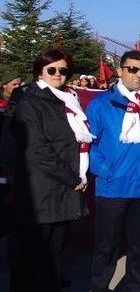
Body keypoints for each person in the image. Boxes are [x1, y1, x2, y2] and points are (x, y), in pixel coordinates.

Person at [87, 50, 140, 292]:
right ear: (120, 71)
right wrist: (106, 171)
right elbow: (87, 145)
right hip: (112, 189)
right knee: (107, 248)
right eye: (132, 69)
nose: (138, 75)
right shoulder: (100, 105)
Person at [8, 49, 91, 291]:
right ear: (39, 72)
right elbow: (37, 150)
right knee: (33, 257)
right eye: (51, 69)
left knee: (54, 253)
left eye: (63, 70)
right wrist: (72, 179)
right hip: (41, 192)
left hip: (62, 190)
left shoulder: (67, 99)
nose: (57, 74)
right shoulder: (30, 101)